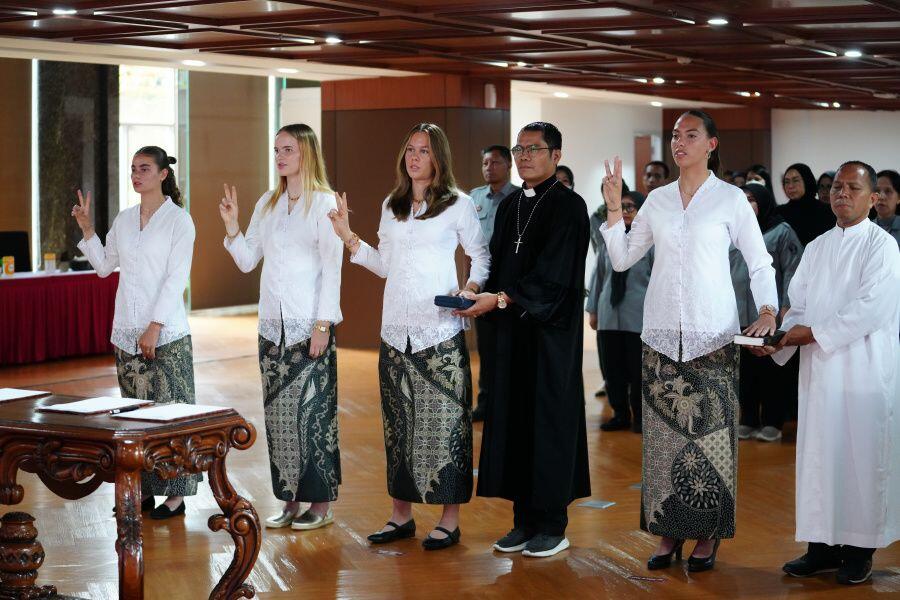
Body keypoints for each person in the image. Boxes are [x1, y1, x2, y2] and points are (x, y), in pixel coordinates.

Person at [600, 110, 778, 572]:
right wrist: (614, 206)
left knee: (710, 440)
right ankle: (667, 531)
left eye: (690, 135)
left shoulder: (731, 199)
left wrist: (767, 310)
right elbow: (621, 260)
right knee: (663, 443)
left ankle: (707, 534)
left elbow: (759, 263)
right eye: (675, 136)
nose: (679, 142)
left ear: (711, 144)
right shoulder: (657, 199)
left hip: (712, 337)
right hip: (659, 335)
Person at [328, 123, 489, 551]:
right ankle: (401, 516)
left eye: (423, 151)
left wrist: (470, 290)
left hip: (439, 330)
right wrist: (348, 237)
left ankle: (449, 520)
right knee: (398, 427)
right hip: (396, 331)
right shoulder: (392, 204)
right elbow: (385, 264)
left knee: (446, 427)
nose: (414, 157)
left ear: (439, 159)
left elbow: (480, 256)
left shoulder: (459, 204)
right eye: (410, 150)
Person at [753, 161, 900, 586]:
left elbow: (870, 308)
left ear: (873, 199)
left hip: (863, 371)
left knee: (859, 457)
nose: (842, 194)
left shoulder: (881, 246)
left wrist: (811, 333)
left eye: (854, 188)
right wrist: (778, 338)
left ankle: (858, 550)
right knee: (820, 457)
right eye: (837, 186)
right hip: (820, 372)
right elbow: (796, 304)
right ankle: (821, 547)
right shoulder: (816, 247)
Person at [456, 121, 590, 558]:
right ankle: (522, 521)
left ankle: (552, 523)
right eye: (520, 149)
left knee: (547, 422)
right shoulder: (513, 203)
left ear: (556, 155)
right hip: (511, 330)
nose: (525, 156)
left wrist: (504, 297)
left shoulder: (570, 206)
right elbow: (497, 261)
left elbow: (554, 273)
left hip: (549, 334)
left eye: (535, 149)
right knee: (513, 420)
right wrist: (478, 289)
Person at [219, 124, 343, 531]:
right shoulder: (267, 205)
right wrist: (233, 227)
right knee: (279, 417)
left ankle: (319, 504)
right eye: (276, 150)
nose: (280, 157)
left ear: (306, 153)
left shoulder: (324, 203)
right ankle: (289, 500)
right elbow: (246, 260)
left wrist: (323, 323)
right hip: (272, 328)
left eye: (288, 149)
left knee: (314, 416)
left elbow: (332, 269)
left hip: (311, 325)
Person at [72, 146, 198, 520]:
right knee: (135, 418)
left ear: (162, 174)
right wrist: (87, 229)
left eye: (144, 168)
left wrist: (155, 325)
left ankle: (175, 498)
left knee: (170, 416)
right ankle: (141, 491)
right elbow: (103, 267)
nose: (136, 175)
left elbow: (177, 278)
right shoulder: (124, 220)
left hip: (167, 333)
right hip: (126, 332)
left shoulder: (179, 221)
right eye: (132, 169)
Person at [731, 183, 803, 442]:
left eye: (751, 199)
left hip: (770, 315)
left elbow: (793, 271)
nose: (747, 204)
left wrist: (785, 306)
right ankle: (748, 419)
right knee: (746, 370)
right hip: (740, 313)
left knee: (771, 369)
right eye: (743, 199)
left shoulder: (781, 231)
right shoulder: (734, 231)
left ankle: (773, 421)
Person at [587, 190, 651, 433]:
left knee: (638, 372)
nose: (624, 212)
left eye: (630, 207)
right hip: (609, 316)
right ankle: (620, 414)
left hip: (639, 319)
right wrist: (593, 310)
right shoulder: (610, 243)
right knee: (612, 371)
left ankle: (640, 418)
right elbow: (598, 278)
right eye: (621, 207)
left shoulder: (650, 243)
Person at [469, 145, 520, 422]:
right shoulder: (474, 198)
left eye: (496, 162)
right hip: (483, 280)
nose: (489, 167)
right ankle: (485, 403)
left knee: (510, 347)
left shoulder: (519, 197)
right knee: (487, 349)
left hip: (510, 282)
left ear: (508, 165)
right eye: (485, 162)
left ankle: (510, 403)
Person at [778, 163, 836, 246]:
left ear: (806, 181)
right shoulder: (779, 213)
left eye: (795, 180)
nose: (790, 186)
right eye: (786, 182)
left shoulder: (827, 212)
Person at [875, 169, 900, 246]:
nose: (881, 197)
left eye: (888, 191)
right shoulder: (863, 227)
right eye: (877, 191)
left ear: (899, 198)